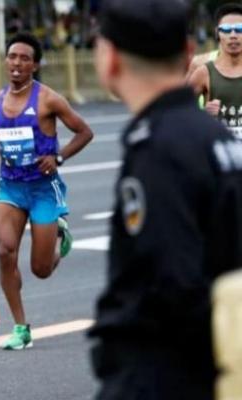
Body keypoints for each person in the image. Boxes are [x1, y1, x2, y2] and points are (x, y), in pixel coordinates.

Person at [89, 1, 242, 399]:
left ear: (111, 59)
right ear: (189, 52)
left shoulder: (158, 148)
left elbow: (169, 286)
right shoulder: (215, 139)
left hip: (166, 376)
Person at [0, 32, 93, 350]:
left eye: (25, 58)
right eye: (12, 56)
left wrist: (58, 157)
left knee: (41, 270)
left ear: (35, 65)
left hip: (43, 189)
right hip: (10, 187)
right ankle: (20, 326)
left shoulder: (48, 99)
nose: (17, 63)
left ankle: (59, 235)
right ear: (6, 61)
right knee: (5, 251)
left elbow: (84, 132)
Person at [189, 3, 242, 139]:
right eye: (226, 30)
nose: (233, 35)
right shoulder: (204, 72)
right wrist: (203, 114)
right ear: (217, 32)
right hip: (219, 146)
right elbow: (179, 113)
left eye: (239, 29)